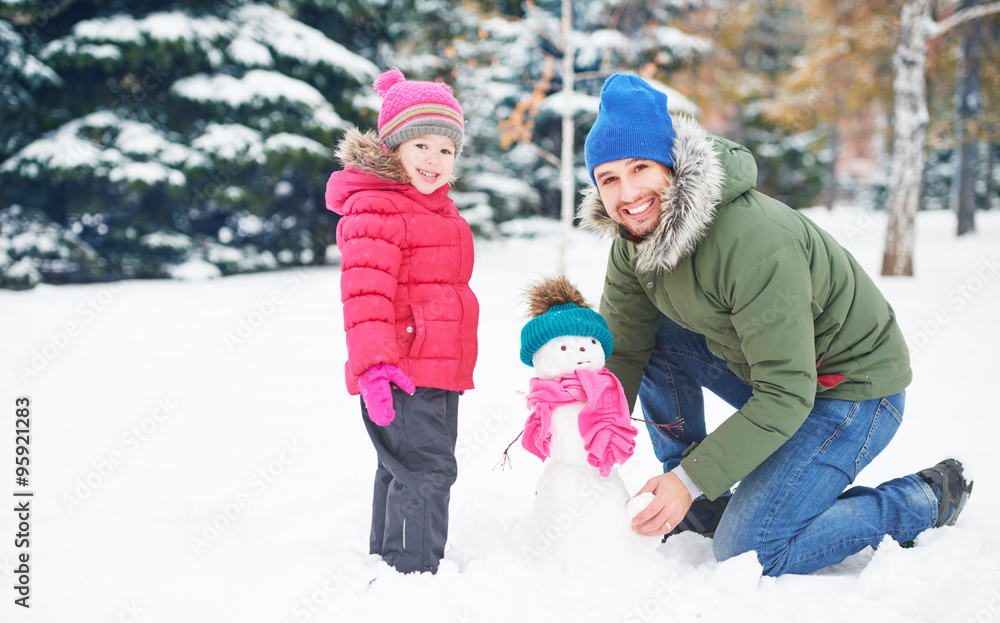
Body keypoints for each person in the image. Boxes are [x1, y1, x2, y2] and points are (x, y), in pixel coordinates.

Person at [578, 73, 973, 576]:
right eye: (608, 178)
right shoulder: (632, 239)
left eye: (640, 168)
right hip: (771, 375)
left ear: (673, 167)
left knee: (749, 549)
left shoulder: (752, 240)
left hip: (851, 390)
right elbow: (626, 348)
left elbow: (786, 391)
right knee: (655, 342)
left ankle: (921, 501)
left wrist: (689, 478)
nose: (627, 193)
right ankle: (705, 507)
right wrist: (585, 435)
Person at [325, 68, 479, 575]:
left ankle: (389, 563)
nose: (434, 160)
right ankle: (414, 577)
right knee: (426, 471)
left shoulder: (433, 209)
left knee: (403, 470)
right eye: (421, 146)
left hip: (434, 368)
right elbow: (365, 293)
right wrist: (374, 367)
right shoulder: (379, 208)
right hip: (402, 370)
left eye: (446, 149)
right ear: (393, 148)